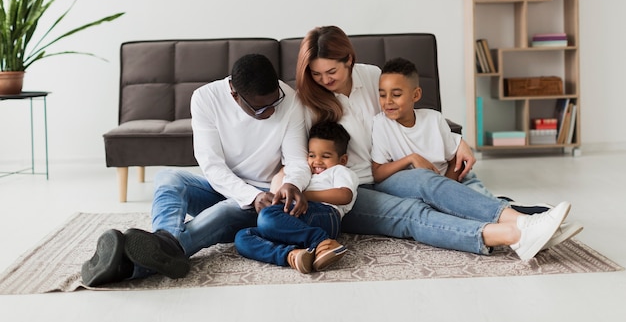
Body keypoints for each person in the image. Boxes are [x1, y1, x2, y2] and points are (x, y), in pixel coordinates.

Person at [294, 25, 576, 259]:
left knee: (426, 181)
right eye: (316, 74)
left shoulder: (371, 76)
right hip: (350, 186)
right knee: (412, 213)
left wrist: (457, 140)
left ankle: (523, 221)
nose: (324, 80)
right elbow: (298, 156)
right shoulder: (309, 102)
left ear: (349, 60)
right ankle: (515, 235)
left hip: (387, 173)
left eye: (331, 72)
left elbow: (406, 111)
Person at [81, 53, 312, 286]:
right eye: (260, 110)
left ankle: (128, 267)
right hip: (227, 188)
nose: (271, 112)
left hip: (266, 200)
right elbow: (211, 165)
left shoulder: (290, 100)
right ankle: (166, 241)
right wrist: (250, 195)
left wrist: (292, 184)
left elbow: (297, 161)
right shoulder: (205, 98)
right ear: (234, 95)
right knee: (167, 177)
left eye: (275, 103)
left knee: (223, 212)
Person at [371, 57, 583, 247]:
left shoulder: (433, 119)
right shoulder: (381, 125)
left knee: (481, 202)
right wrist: (411, 159)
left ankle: (532, 223)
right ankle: (528, 222)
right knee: (472, 211)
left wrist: (450, 189)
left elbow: (455, 157)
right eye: (382, 95)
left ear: (415, 95)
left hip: (453, 181)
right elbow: (378, 173)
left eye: (396, 94)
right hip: (422, 188)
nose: (387, 101)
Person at [235, 121, 359, 274]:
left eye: (325, 156)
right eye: (312, 155)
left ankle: (322, 240)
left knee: (267, 217)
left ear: (343, 160)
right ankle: (292, 255)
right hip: (296, 222)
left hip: (324, 214)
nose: (317, 161)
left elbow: (345, 195)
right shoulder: (305, 173)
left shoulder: (339, 171)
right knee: (243, 236)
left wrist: (303, 195)